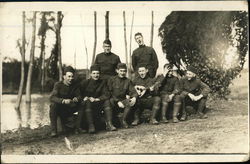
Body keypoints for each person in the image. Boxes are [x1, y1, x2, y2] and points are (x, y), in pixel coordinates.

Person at [78, 65, 116, 134]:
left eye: (97, 73)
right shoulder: (85, 83)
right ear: (90, 74)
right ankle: (91, 126)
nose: (96, 75)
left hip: (98, 103)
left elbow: (106, 94)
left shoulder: (102, 82)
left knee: (107, 101)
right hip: (88, 105)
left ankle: (109, 124)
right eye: (94, 73)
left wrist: (97, 99)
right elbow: (78, 93)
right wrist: (84, 98)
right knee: (88, 102)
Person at [49, 66, 82, 137]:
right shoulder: (58, 85)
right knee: (53, 105)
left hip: (70, 108)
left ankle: (78, 127)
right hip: (61, 108)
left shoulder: (75, 85)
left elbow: (79, 96)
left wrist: (77, 98)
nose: (71, 79)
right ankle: (54, 131)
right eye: (69, 76)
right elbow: (52, 97)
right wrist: (63, 101)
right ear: (64, 76)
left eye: (72, 76)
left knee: (82, 104)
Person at [107, 63, 137, 128]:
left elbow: (133, 91)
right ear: (117, 71)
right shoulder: (112, 80)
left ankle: (123, 120)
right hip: (113, 100)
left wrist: (134, 97)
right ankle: (110, 122)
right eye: (121, 71)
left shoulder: (128, 81)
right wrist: (117, 101)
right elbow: (109, 93)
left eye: (124, 71)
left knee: (129, 102)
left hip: (122, 100)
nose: (123, 73)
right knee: (109, 101)